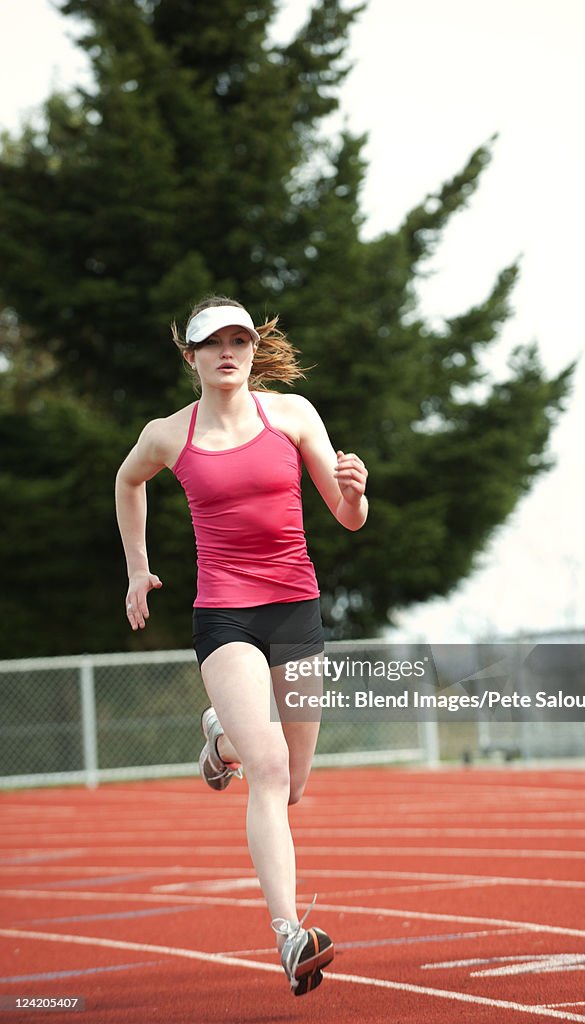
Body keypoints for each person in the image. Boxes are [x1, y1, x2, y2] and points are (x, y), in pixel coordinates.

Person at [114, 296, 368, 996]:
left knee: (294, 783)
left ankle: (220, 737)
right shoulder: (168, 434)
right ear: (190, 355)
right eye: (213, 342)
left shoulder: (291, 416)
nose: (228, 351)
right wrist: (138, 566)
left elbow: (346, 518)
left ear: (254, 350)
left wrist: (356, 494)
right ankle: (290, 934)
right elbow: (127, 480)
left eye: (240, 340)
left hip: (296, 609)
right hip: (225, 615)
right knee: (271, 767)